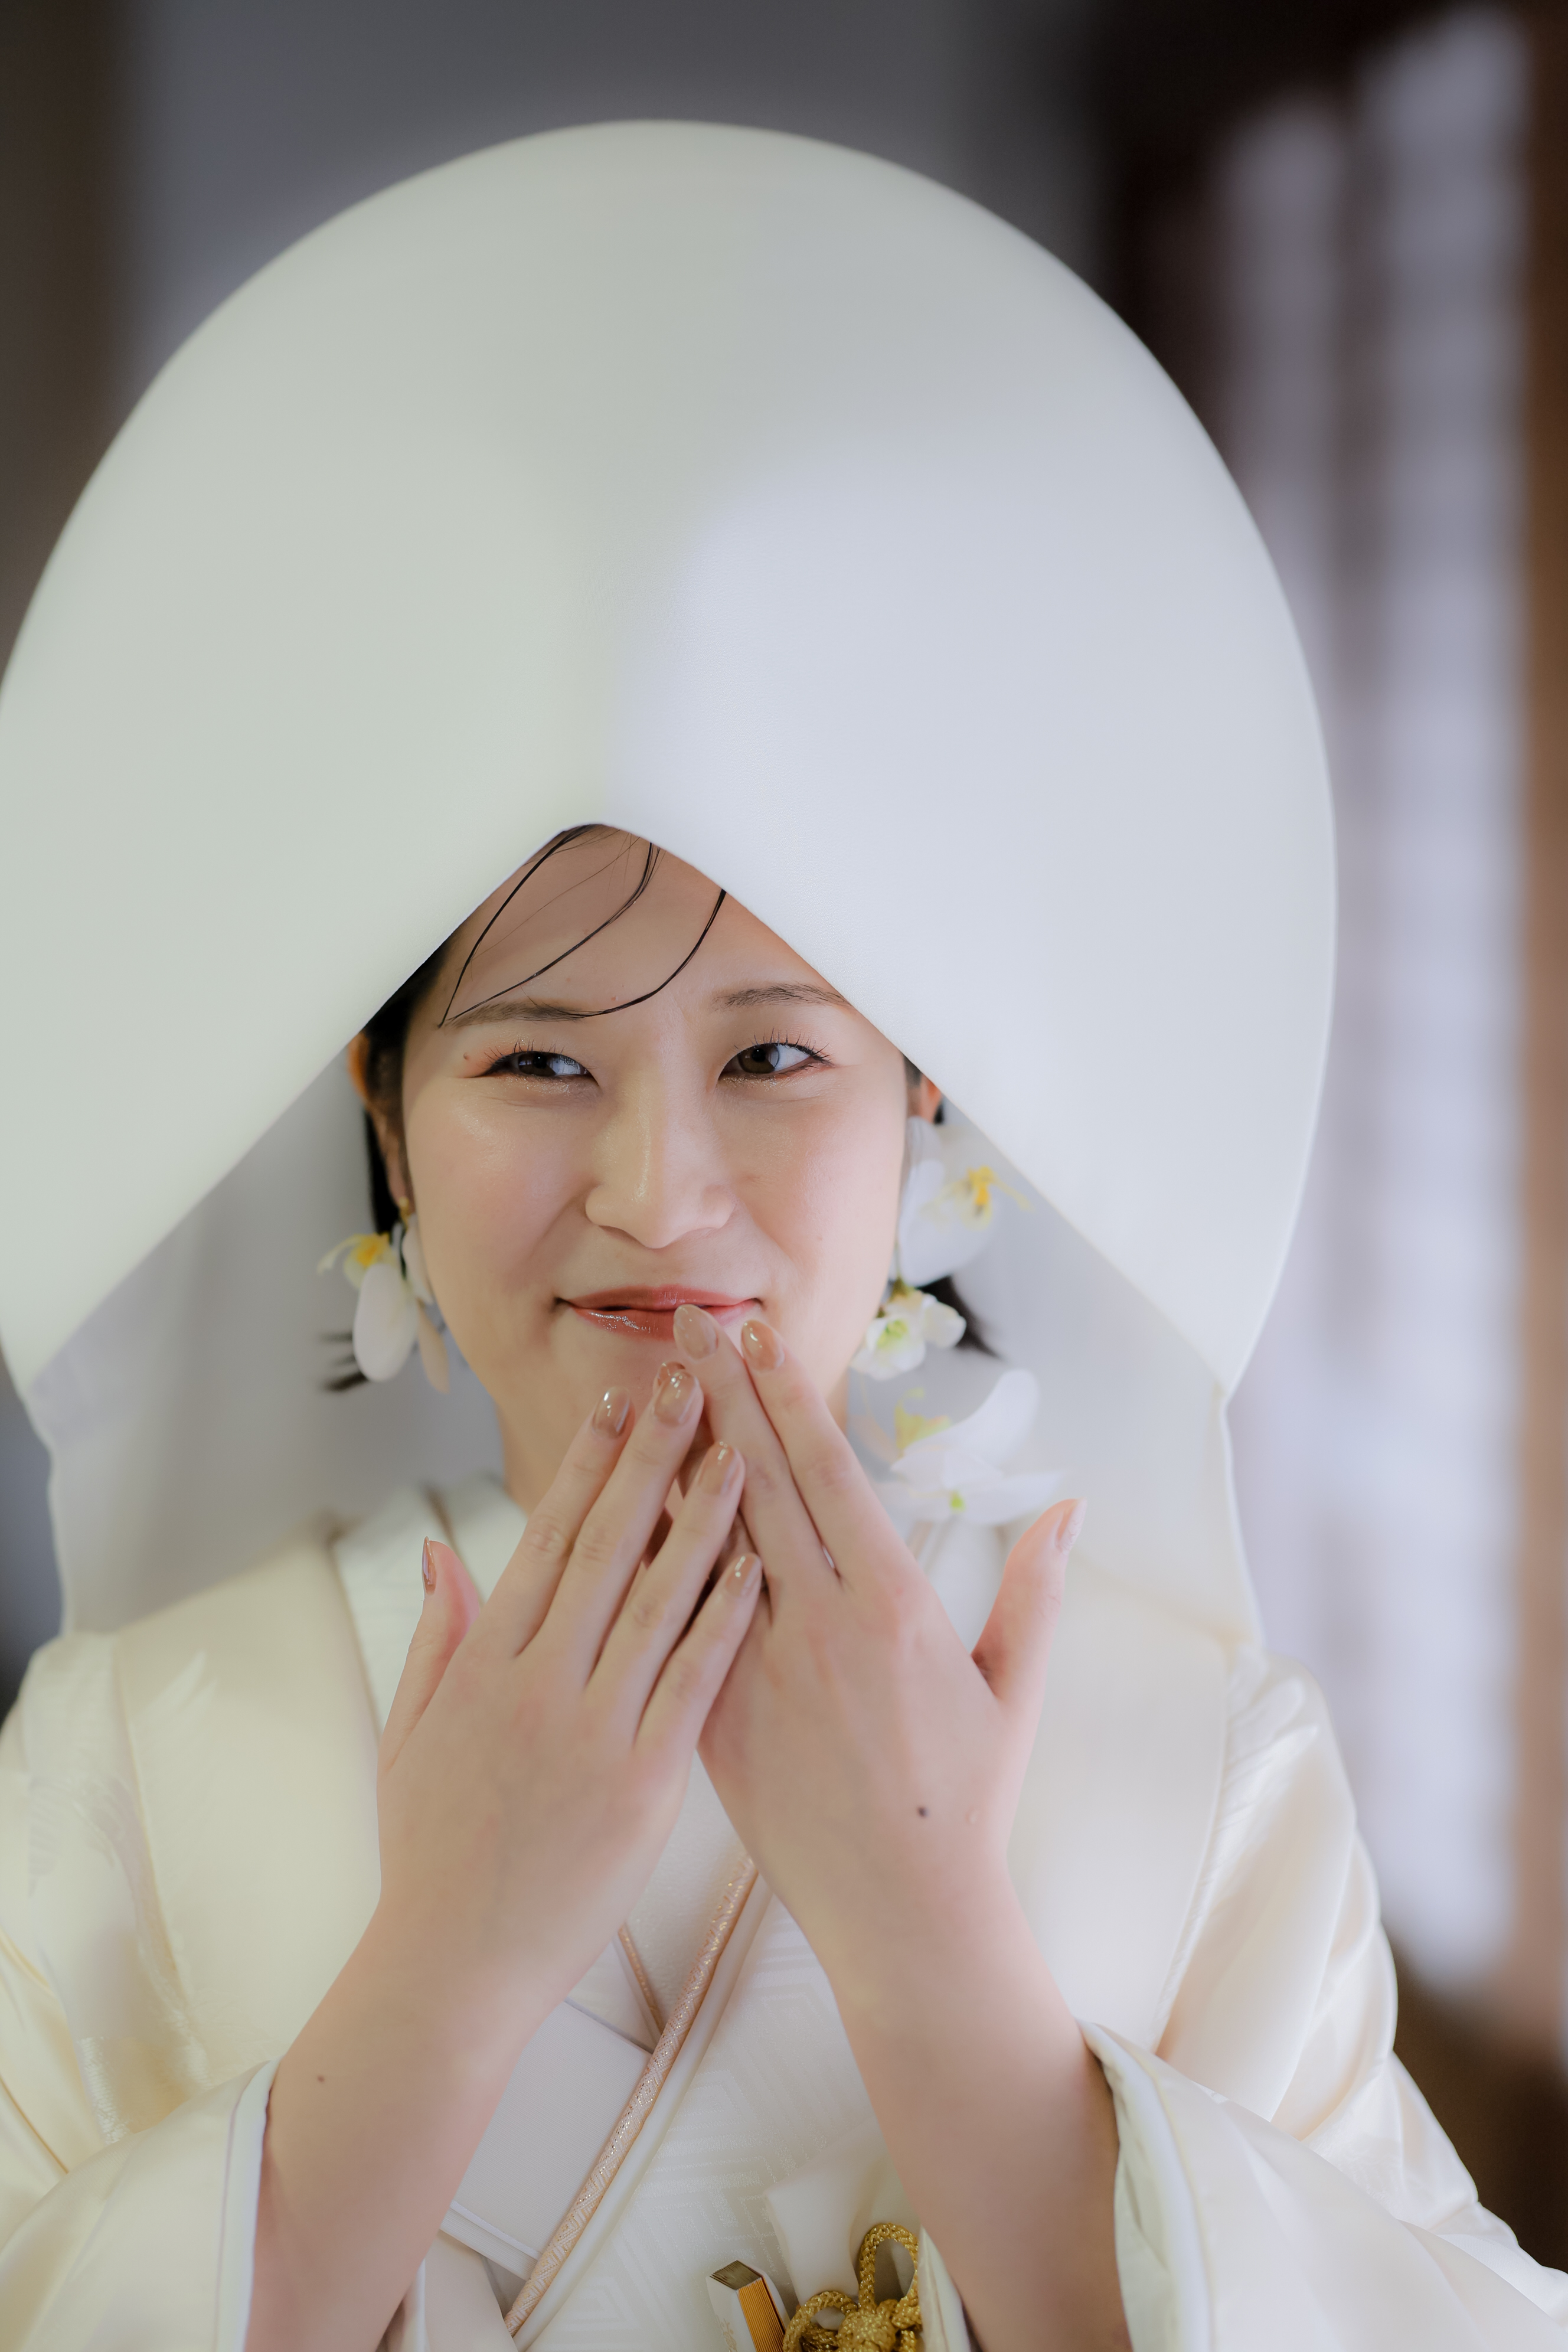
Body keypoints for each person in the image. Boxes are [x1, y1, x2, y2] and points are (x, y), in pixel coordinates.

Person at [0, 122, 1560, 2352]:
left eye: (776, 1060)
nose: (660, 1197)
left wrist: (933, 1939)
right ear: (382, 1115)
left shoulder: (1194, 1759)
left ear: (927, 1097)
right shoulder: (136, 1753)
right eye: (536, 1065)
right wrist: (450, 1957)